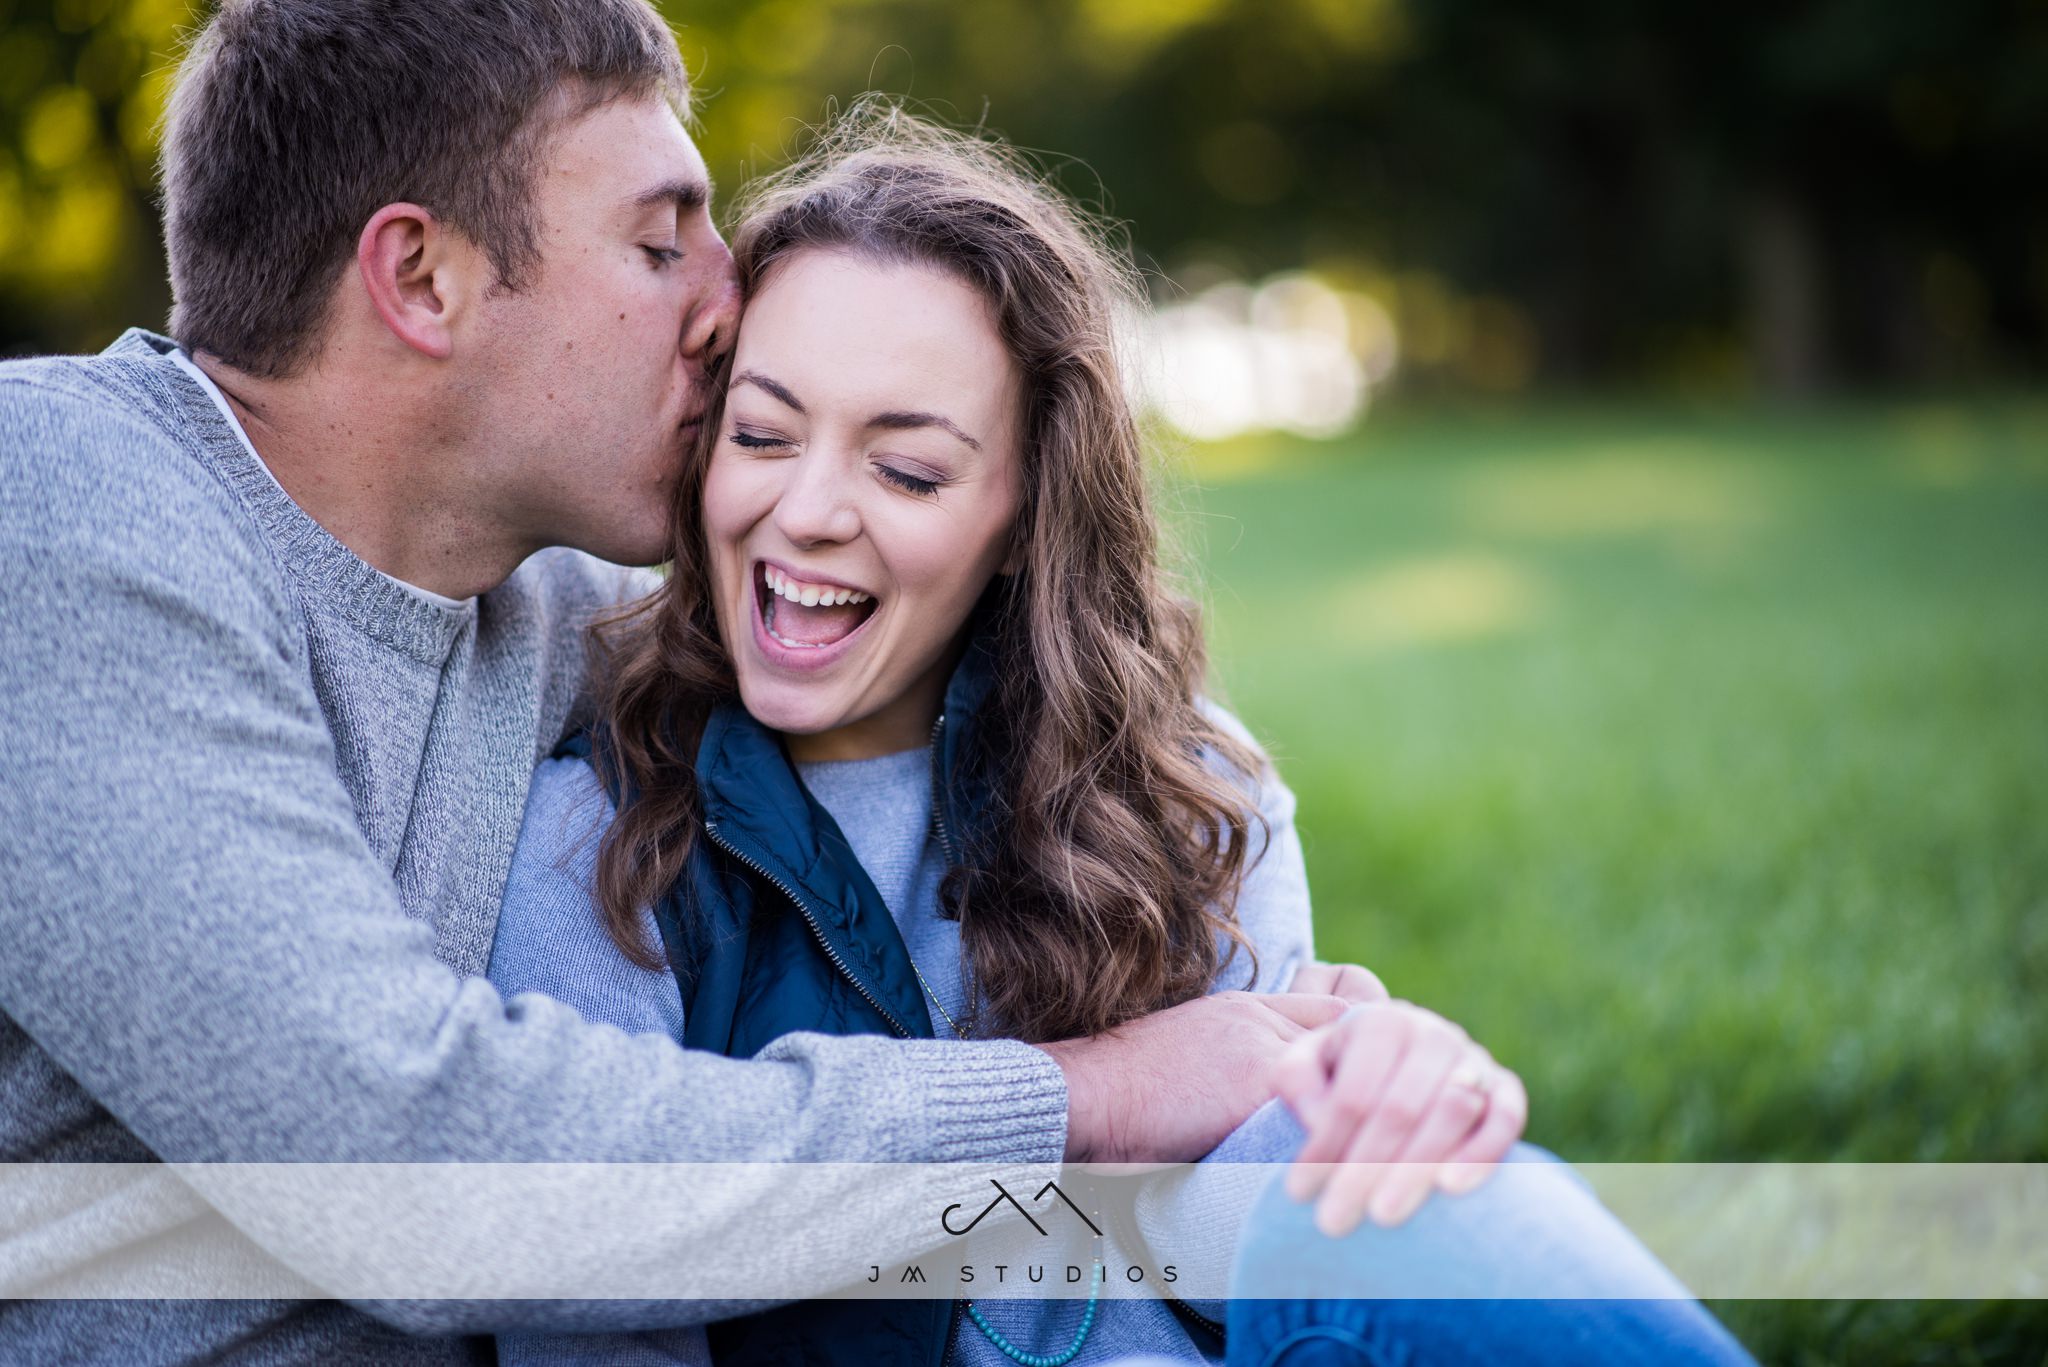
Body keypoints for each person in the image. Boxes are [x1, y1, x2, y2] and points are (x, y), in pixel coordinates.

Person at [0, 3, 1399, 1361]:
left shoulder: (534, 596)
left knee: (1452, 1215)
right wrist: (1083, 1097)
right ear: (423, 279)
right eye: (661, 239)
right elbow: (410, 1157)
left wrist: (1351, 1044)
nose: (727, 303)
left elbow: (938, 639)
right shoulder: (64, 511)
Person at [485, 105, 1758, 1366]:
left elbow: (1233, 1215)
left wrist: (1362, 1099)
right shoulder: (594, 847)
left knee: (1419, 1193)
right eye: (760, 435)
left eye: (909, 470)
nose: (807, 509)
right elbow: (591, 1308)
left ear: (1024, 510)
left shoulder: (1187, 781)